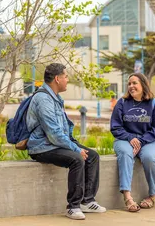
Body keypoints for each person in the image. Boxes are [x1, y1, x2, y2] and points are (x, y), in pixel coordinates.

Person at [26, 63, 106, 220]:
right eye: (66, 76)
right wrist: (75, 149)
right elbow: (54, 134)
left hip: (54, 143)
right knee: (77, 159)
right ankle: (73, 207)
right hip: (42, 147)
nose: (68, 79)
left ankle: (87, 201)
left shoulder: (55, 97)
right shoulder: (43, 99)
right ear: (57, 79)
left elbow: (61, 130)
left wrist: (74, 144)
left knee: (93, 156)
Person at [110, 73, 155, 212]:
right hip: (124, 139)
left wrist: (140, 140)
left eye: (135, 83)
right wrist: (130, 138)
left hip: (149, 140)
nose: (131, 86)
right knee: (126, 153)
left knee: (149, 158)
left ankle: (152, 196)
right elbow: (115, 127)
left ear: (143, 85)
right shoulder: (122, 103)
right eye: (129, 84)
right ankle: (127, 197)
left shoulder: (154, 104)